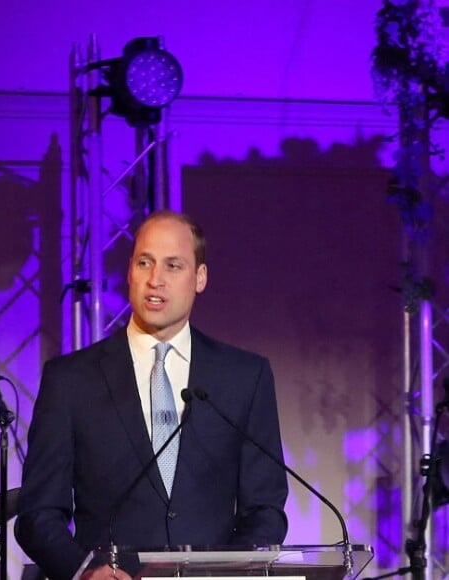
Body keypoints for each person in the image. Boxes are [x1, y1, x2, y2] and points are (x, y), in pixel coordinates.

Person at [15, 210, 288, 580]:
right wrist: (85, 572)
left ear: (200, 278)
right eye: (145, 262)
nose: (155, 280)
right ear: (130, 271)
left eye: (173, 266)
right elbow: (38, 514)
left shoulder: (243, 376)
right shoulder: (71, 380)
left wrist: (232, 572)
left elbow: (266, 508)